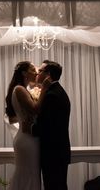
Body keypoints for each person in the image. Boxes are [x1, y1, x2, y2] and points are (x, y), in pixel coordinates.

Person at [5, 61, 50, 190]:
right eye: (32, 69)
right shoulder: (19, 89)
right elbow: (35, 109)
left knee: (30, 174)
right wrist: (44, 89)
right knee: (27, 174)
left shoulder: (22, 89)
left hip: (28, 137)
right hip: (27, 139)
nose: (36, 72)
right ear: (24, 73)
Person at [32, 60, 71, 190]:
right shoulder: (57, 91)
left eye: (40, 71)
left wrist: (30, 128)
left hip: (52, 154)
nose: (37, 73)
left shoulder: (51, 95)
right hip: (58, 152)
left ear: (48, 75)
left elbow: (47, 127)